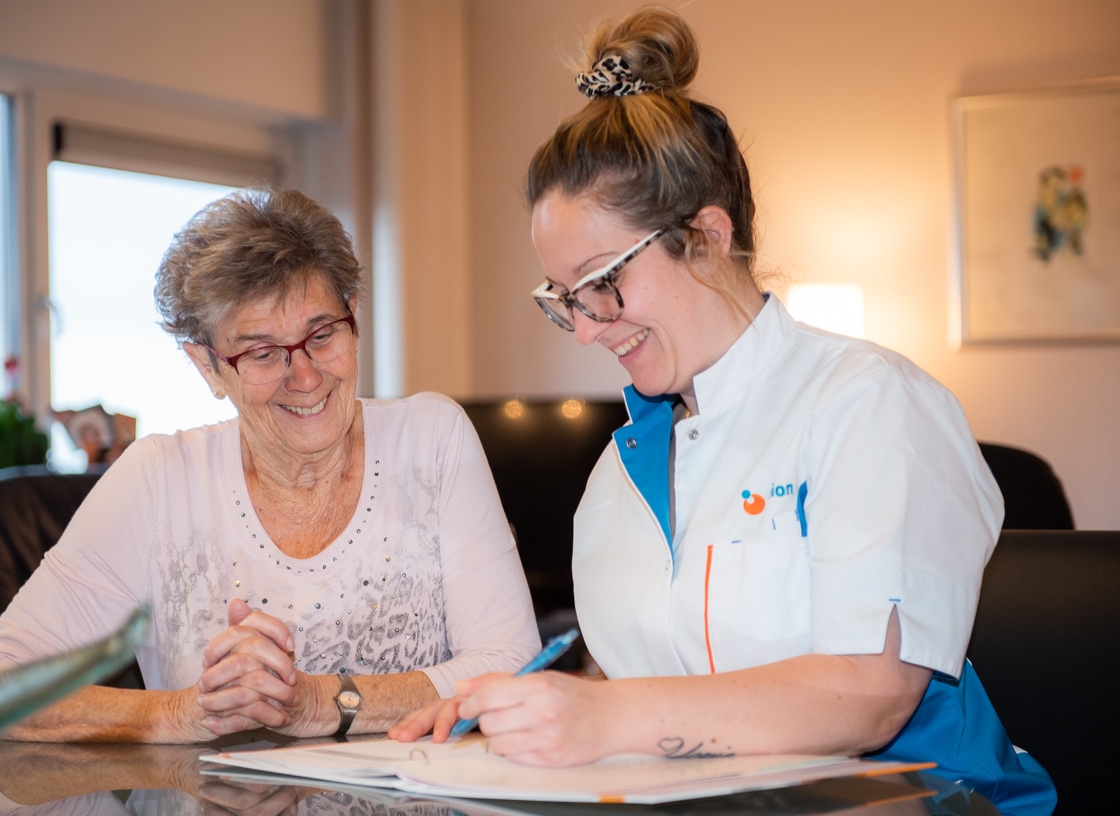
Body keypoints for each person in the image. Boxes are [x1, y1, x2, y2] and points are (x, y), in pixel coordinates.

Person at [390, 7, 1055, 815]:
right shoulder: (615, 477)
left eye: (603, 282)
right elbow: (663, 679)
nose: (588, 327)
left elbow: (870, 695)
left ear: (705, 236)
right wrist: (529, 707)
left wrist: (606, 717)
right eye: (565, 298)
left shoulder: (868, 401)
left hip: (920, 799)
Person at [0, 187, 540, 743]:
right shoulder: (158, 482)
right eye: (262, 353)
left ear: (354, 317)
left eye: (322, 334)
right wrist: (187, 713)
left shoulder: (432, 440)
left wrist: (318, 703)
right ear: (207, 366)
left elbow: (511, 665)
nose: (305, 376)